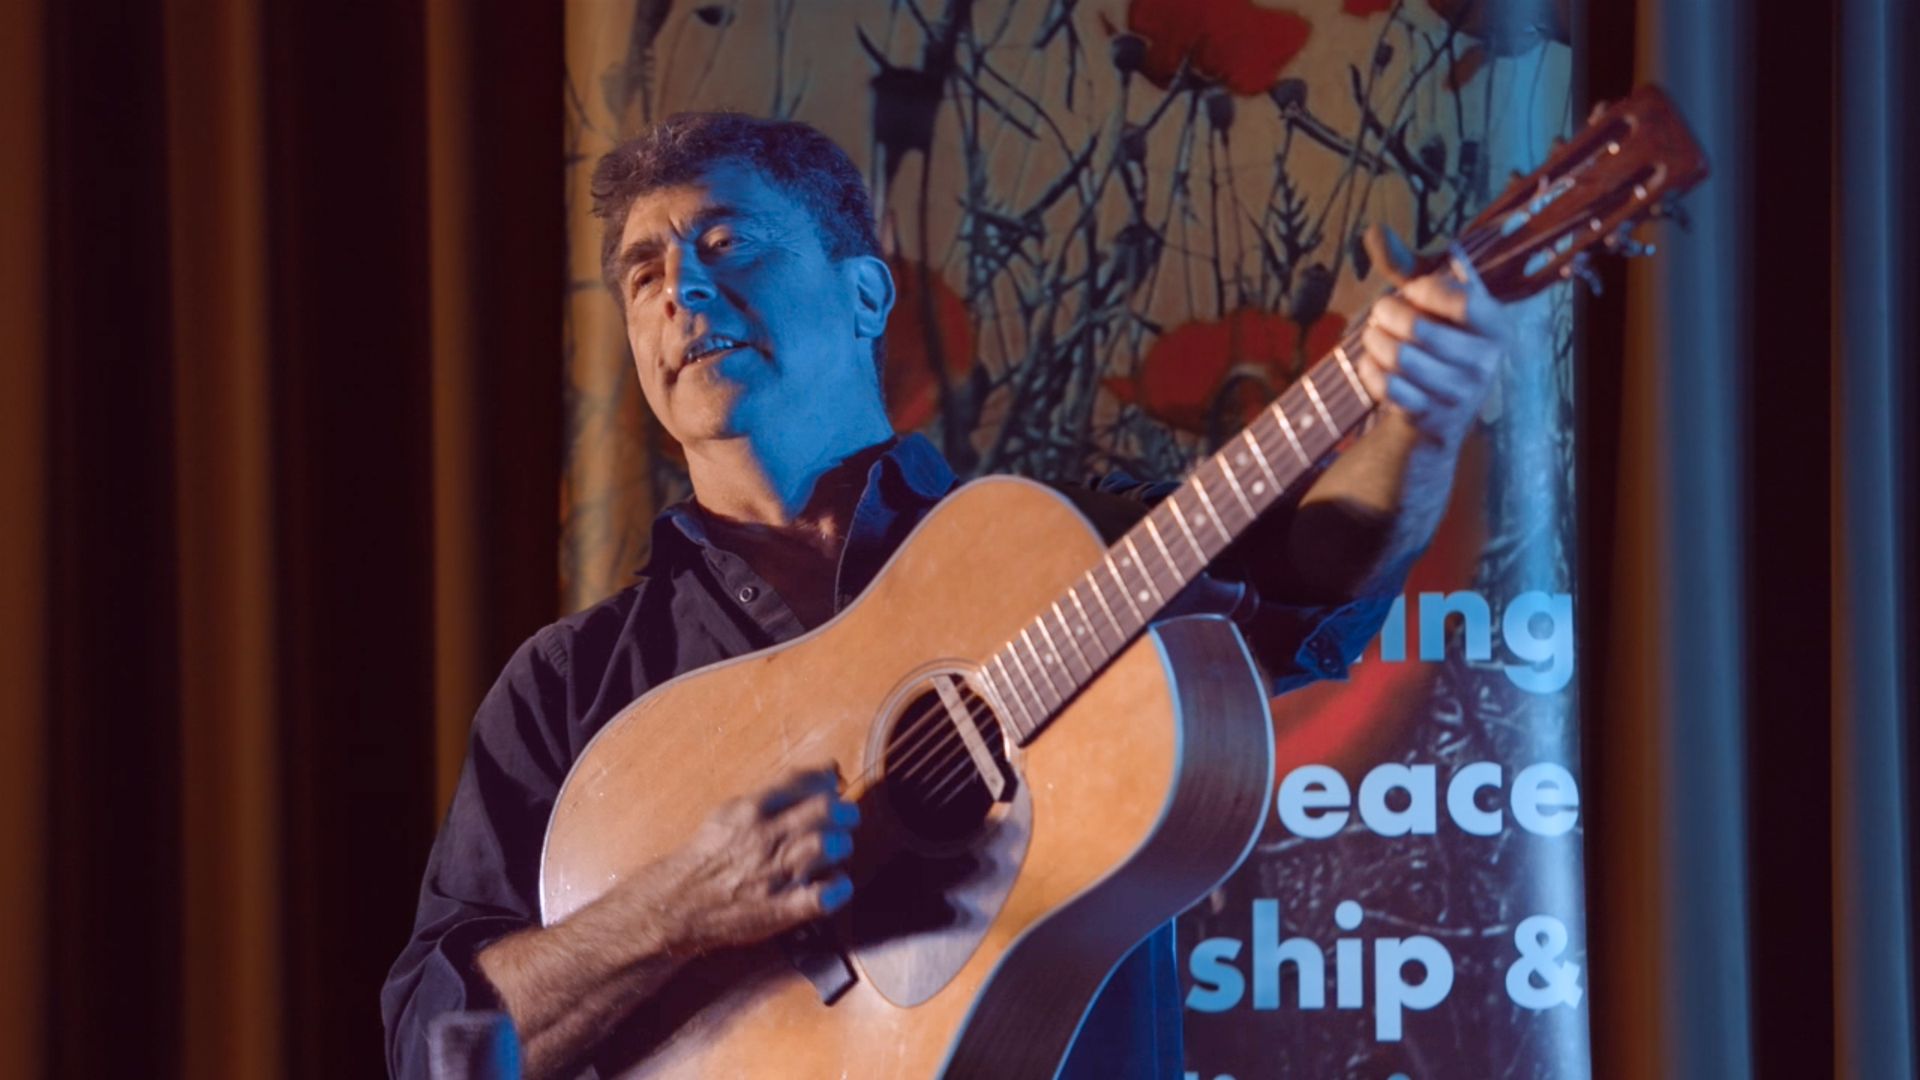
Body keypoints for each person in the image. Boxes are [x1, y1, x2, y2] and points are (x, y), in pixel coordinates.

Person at [381, 111, 1515, 1080]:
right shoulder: (572, 689)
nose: (682, 287)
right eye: (642, 271)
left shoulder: (1064, 553)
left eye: (728, 242)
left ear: (866, 292)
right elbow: (440, 1034)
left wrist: (1417, 419)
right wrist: (676, 906)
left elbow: (1316, 577)